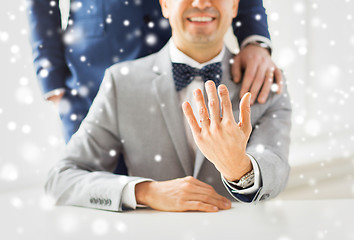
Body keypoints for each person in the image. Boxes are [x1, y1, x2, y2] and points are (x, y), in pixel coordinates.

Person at [45, 0, 292, 212]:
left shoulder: (265, 83)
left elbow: (276, 169)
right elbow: (60, 180)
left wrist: (239, 168)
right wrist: (146, 192)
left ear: (236, 4)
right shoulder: (121, 83)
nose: (201, 3)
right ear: (164, 4)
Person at [27, 0, 282, 142]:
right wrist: (53, 81)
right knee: (95, 193)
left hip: (179, 67)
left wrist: (254, 40)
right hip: (90, 77)